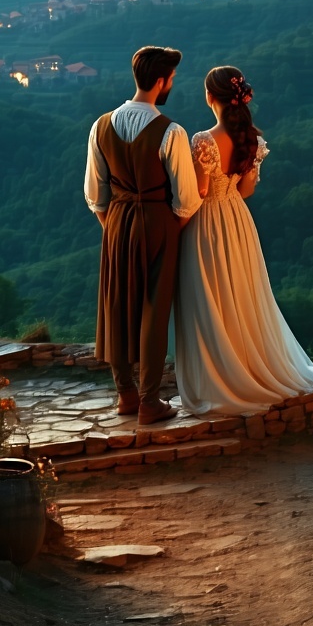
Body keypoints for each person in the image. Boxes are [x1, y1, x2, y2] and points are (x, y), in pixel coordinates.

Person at [175, 66, 313, 415]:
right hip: (238, 223)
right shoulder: (253, 141)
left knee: (210, 299)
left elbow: (197, 192)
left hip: (207, 222)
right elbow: (246, 190)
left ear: (210, 97)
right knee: (242, 295)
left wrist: (176, 227)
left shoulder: (203, 140)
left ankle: (222, 378)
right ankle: (249, 367)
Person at [84, 46, 201, 425]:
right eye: (172, 80)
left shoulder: (100, 126)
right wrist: (168, 231)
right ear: (162, 81)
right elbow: (186, 200)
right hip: (157, 220)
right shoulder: (171, 131)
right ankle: (150, 401)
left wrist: (115, 227)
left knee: (116, 303)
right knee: (155, 308)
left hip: (116, 220)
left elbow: (94, 194)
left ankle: (125, 395)